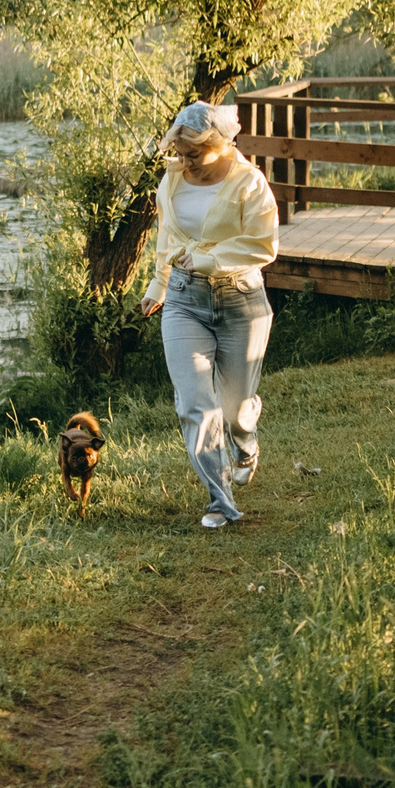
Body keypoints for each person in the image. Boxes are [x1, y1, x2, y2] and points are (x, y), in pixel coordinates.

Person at [137, 101, 280, 531]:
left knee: (236, 409)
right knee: (196, 405)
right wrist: (159, 285)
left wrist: (210, 260)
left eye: (193, 154)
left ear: (219, 144)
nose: (185, 162)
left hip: (242, 302)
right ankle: (221, 500)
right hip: (184, 302)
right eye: (179, 154)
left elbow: (263, 245)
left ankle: (245, 444)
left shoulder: (250, 185)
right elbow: (169, 237)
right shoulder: (173, 180)